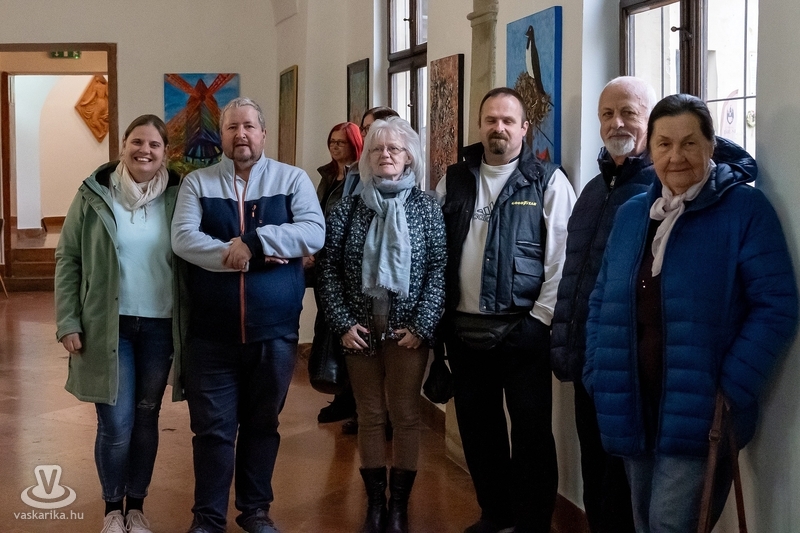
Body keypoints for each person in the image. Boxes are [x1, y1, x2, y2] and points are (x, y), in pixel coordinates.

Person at [583, 94, 798, 533]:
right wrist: (596, 369)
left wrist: (730, 385)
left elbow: (776, 304)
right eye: (664, 144)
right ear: (650, 149)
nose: (676, 156)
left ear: (711, 145)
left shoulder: (744, 211)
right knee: (643, 521)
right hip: (633, 403)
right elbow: (601, 297)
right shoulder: (632, 214)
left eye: (689, 143)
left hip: (701, 410)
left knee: (669, 524)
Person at [171, 97, 325, 533]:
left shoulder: (292, 179)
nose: (241, 134)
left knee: (262, 425)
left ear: (263, 134)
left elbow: (313, 232)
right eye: (232, 127)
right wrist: (241, 255)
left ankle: (255, 511)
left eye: (249, 127)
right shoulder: (197, 183)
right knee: (212, 431)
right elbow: (183, 240)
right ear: (220, 136)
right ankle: (207, 518)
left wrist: (255, 242)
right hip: (211, 335)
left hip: (274, 334)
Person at [436, 88, 576, 533]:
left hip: (523, 333)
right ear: (480, 125)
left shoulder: (548, 181)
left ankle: (533, 523)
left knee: (531, 435)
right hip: (464, 332)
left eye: (508, 120)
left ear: (524, 128)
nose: (499, 128)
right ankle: (495, 515)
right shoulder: (453, 181)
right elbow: (435, 252)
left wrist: (539, 321)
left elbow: (562, 260)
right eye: (491, 119)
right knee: (480, 433)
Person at [318, 116, 446, 533]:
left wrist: (422, 326)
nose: (385, 154)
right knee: (370, 415)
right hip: (359, 332)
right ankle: (375, 504)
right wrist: (342, 323)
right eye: (377, 148)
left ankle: (399, 508)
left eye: (394, 148)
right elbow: (328, 270)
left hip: (408, 334)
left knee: (405, 415)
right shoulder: (348, 208)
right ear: (367, 158)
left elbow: (438, 271)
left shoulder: (427, 207)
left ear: (409, 156)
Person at [55, 114, 181, 533]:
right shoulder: (94, 193)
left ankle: (136, 508)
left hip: (161, 326)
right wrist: (68, 320)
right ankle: (113, 509)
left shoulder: (180, 195)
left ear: (165, 153)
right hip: (110, 327)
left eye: (154, 144)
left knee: (146, 417)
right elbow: (68, 258)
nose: (145, 150)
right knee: (115, 423)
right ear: (123, 146)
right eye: (137, 142)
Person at [550, 76, 657, 533]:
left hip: (632, 368)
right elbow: (574, 274)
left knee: (629, 491)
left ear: (650, 119)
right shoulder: (593, 191)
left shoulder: (657, 192)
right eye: (607, 114)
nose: (617, 123)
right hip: (588, 364)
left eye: (629, 112)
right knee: (596, 481)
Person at [313, 122, 363, 426]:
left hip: (347, 266)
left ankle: (353, 400)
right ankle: (339, 394)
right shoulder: (328, 176)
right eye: (331, 141)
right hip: (324, 261)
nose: (334, 146)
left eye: (341, 142)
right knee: (328, 329)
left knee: (347, 334)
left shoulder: (360, 179)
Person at [341, 106, 401, 200]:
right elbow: (344, 205)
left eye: (368, 128)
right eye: (362, 128)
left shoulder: (396, 170)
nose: (362, 134)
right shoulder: (355, 170)